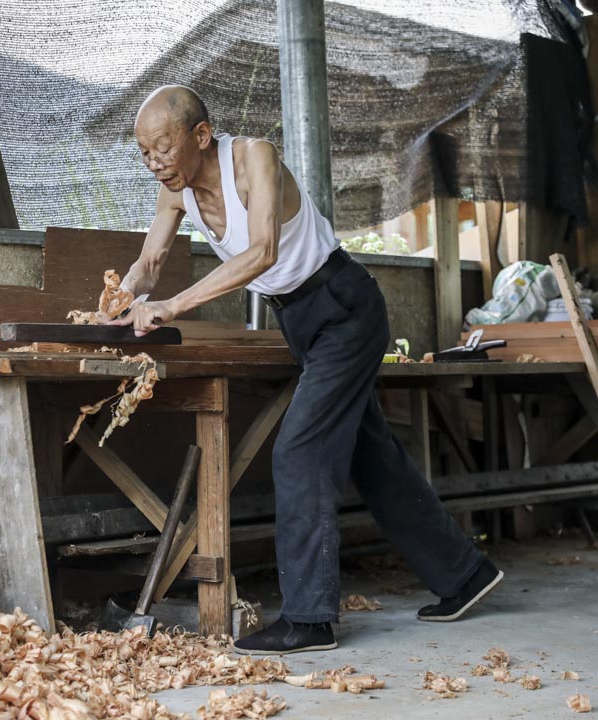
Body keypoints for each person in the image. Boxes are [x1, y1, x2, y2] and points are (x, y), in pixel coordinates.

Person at [108, 85, 502, 654]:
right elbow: (149, 263)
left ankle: (310, 618)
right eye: (144, 153)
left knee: (299, 450)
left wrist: (173, 305)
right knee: (370, 454)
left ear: (200, 135)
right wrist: (121, 297)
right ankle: (466, 575)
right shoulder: (176, 195)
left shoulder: (254, 158)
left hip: (343, 306)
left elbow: (263, 251)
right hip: (300, 321)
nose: (155, 163)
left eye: (163, 148)